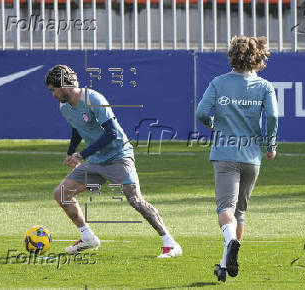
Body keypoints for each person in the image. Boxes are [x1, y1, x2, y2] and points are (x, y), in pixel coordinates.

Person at [45, 64, 182, 258]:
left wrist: (82, 155)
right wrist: (71, 152)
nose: (52, 95)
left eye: (54, 89)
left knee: (135, 200)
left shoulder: (93, 99)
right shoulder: (64, 107)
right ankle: (88, 238)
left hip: (119, 157)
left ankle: (171, 243)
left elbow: (112, 133)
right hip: (97, 160)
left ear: (66, 85)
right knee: (61, 194)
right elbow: (77, 128)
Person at [196, 36, 278, 282]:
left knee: (225, 210)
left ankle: (230, 243)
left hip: (225, 153)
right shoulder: (264, 86)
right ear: (258, 57)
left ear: (232, 55)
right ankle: (224, 264)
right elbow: (273, 116)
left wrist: (212, 124)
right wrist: (270, 143)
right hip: (252, 155)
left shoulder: (219, 82)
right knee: (240, 213)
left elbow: (201, 112)